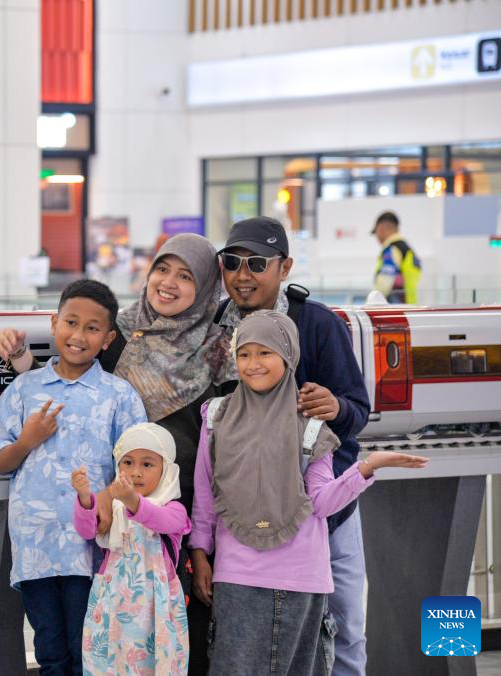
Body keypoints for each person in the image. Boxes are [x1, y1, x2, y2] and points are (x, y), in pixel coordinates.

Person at [0, 233, 232, 674]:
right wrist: (22, 360)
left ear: (204, 286)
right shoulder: (121, 332)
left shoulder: (219, 346)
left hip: (184, 510)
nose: (169, 282)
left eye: (185, 276)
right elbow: (70, 376)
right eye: (162, 269)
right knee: (106, 640)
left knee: (180, 638)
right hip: (113, 518)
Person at [189, 310, 426, 676]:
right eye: (244, 354)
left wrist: (366, 468)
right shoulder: (216, 418)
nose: (253, 363)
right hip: (236, 576)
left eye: (265, 352)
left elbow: (321, 502)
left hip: (300, 578)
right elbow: (206, 496)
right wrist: (200, 554)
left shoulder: (312, 426)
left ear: (288, 356)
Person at [214, 216, 372, 676]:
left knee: (344, 623)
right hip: (245, 517)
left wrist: (335, 407)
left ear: (284, 267)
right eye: (232, 262)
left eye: (257, 263)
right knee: (250, 635)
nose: (243, 275)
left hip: (323, 508)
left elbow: (357, 410)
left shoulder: (317, 324)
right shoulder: (213, 327)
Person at [0, 279, 147, 676]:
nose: (78, 336)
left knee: (88, 649)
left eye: (92, 328)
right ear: (54, 323)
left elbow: (138, 467)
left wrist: (108, 496)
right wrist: (27, 440)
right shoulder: (24, 389)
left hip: (90, 547)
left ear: (108, 339)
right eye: (71, 323)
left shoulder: (119, 395)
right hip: (34, 547)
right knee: (49, 651)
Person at [72, 423, 191, 675]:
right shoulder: (114, 509)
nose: (136, 472)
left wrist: (130, 501)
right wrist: (84, 498)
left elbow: (160, 520)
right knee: (109, 664)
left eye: (147, 464)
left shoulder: (173, 509)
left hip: (155, 610)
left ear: (167, 470)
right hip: (112, 606)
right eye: (127, 463)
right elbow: (87, 530)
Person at [371, 210, 421, 304]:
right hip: (409, 307)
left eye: (376, 232)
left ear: (381, 229)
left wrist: (370, 305)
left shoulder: (392, 250)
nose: (376, 236)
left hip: (394, 307)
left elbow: (383, 284)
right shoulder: (408, 251)